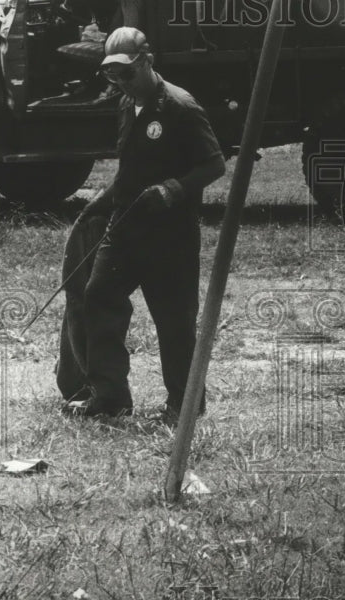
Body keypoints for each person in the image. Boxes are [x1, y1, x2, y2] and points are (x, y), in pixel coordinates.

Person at [67, 26, 227, 422]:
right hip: (125, 230)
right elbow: (131, 170)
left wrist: (173, 189)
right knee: (98, 297)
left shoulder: (180, 106)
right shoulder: (126, 105)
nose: (121, 81)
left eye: (127, 72)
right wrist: (100, 202)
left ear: (148, 62)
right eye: (112, 74)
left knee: (174, 322)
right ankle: (110, 399)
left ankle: (184, 407)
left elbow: (214, 164)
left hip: (170, 236)